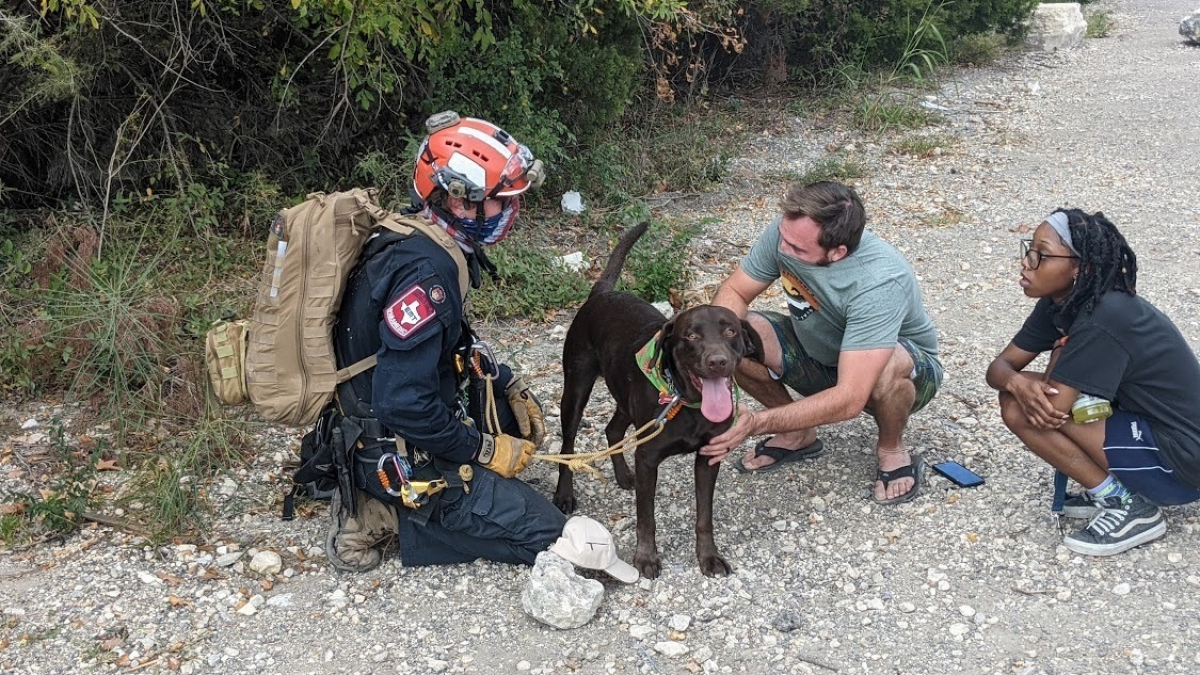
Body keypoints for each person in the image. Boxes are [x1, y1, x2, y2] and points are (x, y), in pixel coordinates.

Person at [320, 111, 567, 572]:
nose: (513, 211)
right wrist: (482, 450)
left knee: (508, 432)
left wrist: (504, 383)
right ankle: (384, 513)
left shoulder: (424, 237)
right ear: (458, 202)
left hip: (379, 416)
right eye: (501, 201)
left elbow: (441, 346)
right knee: (550, 536)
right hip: (393, 446)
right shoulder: (425, 272)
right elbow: (403, 402)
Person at [699, 181, 943, 505]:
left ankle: (891, 447)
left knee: (891, 367)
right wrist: (714, 350)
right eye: (784, 239)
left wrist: (758, 423)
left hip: (892, 375)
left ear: (837, 252)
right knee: (736, 337)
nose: (785, 251)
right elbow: (737, 292)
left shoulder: (879, 281)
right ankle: (797, 433)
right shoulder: (790, 232)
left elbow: (849, 399)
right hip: (820, 354)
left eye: (798, 250)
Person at [985, 209, 1200, 556]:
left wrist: (1050, 358)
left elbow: (1050, 410)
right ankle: (1119, 488)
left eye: (1042, 254)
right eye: (1029, 249)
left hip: (1184, 455)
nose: (1027, 261)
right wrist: (1016, 381)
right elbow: (998, 369)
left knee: (1020, 409)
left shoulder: (1105, 314)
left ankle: (1128, 507)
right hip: (1152, 428)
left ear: (1080, 268)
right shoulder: (1063, 300)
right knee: (1018, 395)